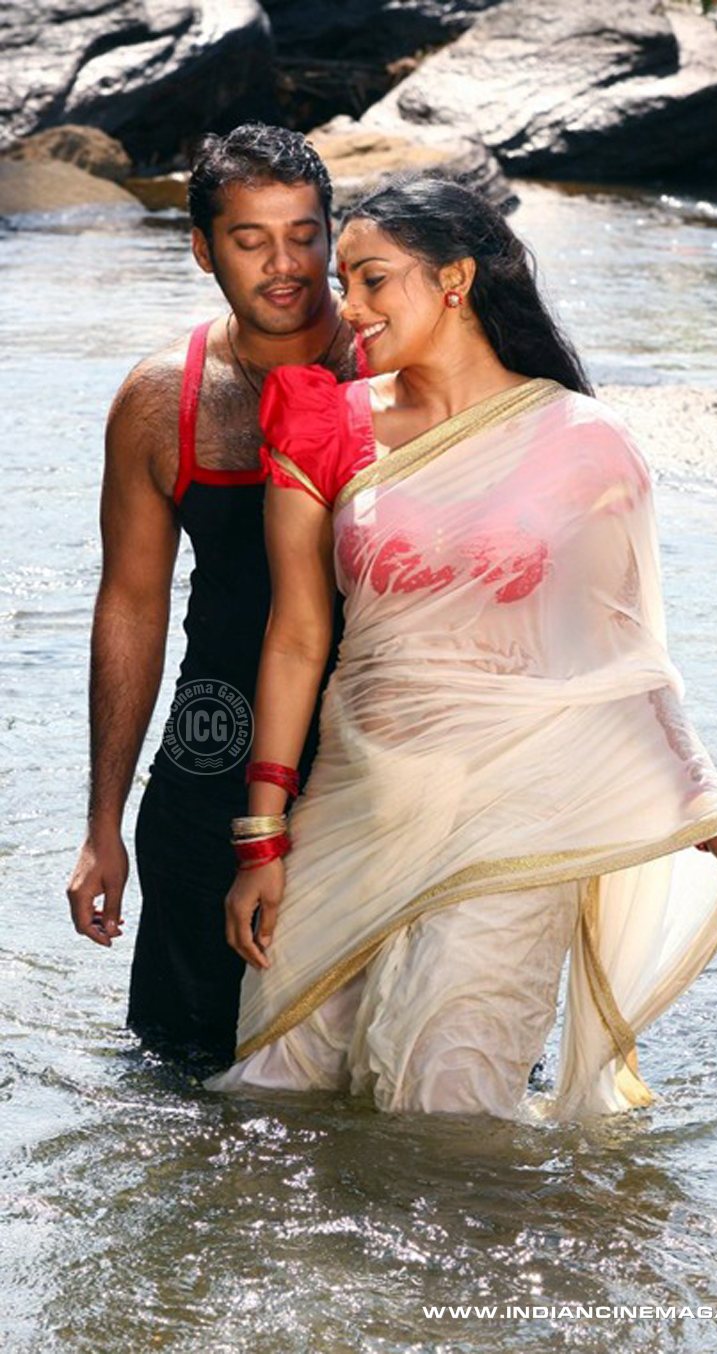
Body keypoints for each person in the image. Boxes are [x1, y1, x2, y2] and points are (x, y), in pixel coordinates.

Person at [208, 175, 717, 1117]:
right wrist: (263, 838)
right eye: (345, 282)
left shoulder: (582, 442)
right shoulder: (325, 420)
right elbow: (295, 637)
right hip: (360, 799)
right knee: (281, 1087)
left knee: (447, 1101)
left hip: (523, 809)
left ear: (454, 280)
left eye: (373, 280)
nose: (348, 306)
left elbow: (620, 657)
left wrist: (712, 813)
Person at [66, 124, 366, 1064]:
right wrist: (102, 825)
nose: (286, 266)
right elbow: (131, 607)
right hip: (217, 751)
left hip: (383, 747)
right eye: (251, 240)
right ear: (202, 249)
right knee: (187, 1068)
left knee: (412, 1062)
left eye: (305, 235)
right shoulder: (164, 399)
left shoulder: (398, 368)